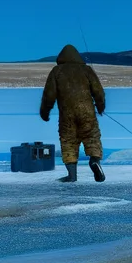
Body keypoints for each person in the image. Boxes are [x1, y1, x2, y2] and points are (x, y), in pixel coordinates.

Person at [40, 44, 106, 183]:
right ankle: (94, 160)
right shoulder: (86, 70)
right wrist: (100, 106)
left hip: (67, 115)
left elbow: (49, 95)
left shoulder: (57, 71)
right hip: (87, 113)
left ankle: (71, 175)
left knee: (68, 141)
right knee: (92, 137)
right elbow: (98, 91)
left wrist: (45, 111)